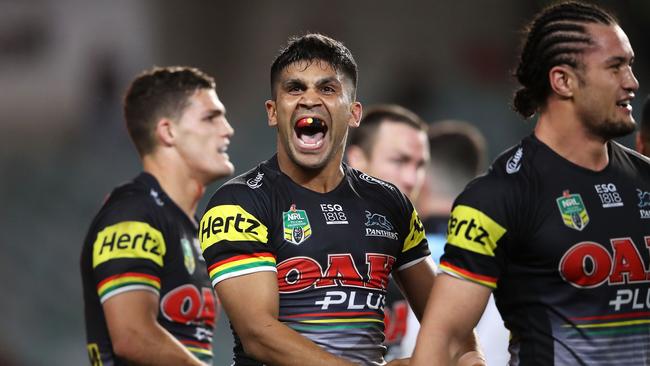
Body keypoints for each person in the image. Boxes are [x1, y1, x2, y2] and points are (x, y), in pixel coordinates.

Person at [199, 34, 481, 365]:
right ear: (273, 112)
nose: (309, 100)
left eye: (328, 89)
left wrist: (470, 358)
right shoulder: (239, 202)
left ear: (354, 113)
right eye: (294, 88)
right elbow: (258, 334)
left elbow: (447, 323)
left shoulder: (390, 203)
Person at [412, 1, 650, 365]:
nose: (632, 82)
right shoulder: (498, 197)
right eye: (616, 67)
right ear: (563, 81)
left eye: (630, 66)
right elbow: (441, 341)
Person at [80, 66, 234, 365]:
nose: (227, 129)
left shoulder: (189, 227)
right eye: (211, 117)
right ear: (168, 132)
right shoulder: (134, 213)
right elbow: (132, 334)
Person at [345, 104, 430, 360]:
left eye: (420, 165)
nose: (411, 179)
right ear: (357, 159)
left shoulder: (419, 257)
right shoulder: (310, 246)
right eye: (399, 161)